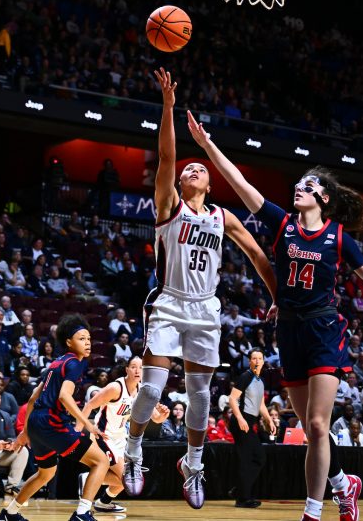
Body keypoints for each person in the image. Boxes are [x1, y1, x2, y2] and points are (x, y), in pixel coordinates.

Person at [187, 114, 363, 521]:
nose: (300, 188)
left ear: (324, 198)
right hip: (289, 329)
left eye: (309, 186)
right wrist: (207, 145)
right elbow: (240, 183)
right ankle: (345, 486)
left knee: (316, 423)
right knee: (312, 431)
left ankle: (312, 511)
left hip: (324, 328)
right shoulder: (283, 223)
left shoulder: (338, 237)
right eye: (298, 184)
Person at [123, 70, 277, 510]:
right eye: (187, 169)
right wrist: (169, 106)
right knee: (151, 392)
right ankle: (134, 450)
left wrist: (277, 295)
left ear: (209, 184)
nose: (191, 168)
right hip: (170, 302)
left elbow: (257, 255)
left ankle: (193, 464)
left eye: (200, 169)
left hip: (207, 309)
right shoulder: (168, 205)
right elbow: (167, 157)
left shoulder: (222, 217)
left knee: (200, 396)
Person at [0, 314, 110, 521]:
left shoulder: (56, 364)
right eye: (81, 338)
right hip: (52, 422)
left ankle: (9, 513)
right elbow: (64, 396)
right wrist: (88, 425)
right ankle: (82, 513)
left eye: (89, 339)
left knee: (46, 473)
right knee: (101, 461)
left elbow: (32, 398)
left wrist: (25, 431)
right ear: (69, 342)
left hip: (37, 422)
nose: (87, 343)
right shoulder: (75, 363)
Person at [81, 356, 170, 514]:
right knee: (129, 478)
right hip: (104, 435)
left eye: (141, 368)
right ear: (127, 369)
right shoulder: (116, 388)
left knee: (129, 480)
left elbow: (156, 418)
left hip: (121, 438)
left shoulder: (143, 391)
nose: (137, 371)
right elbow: (89, 405)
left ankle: (103, 502)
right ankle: (88, 478)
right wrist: (79, 428)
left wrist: (163, 415)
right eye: (134, 367)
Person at [227, 348, 276, 508]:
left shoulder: (260, 381)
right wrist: (240, 418)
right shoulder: (246, 376)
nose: (256, 361)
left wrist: (269, 420)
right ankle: (242, 498)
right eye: (253, 358)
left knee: (259, 458)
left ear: (263, 361)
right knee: (247, 459)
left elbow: (261, 404)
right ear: (249, 361)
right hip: (241, 420)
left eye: (259, 358)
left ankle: (240, 489)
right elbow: (232, 399)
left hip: (250, 421)